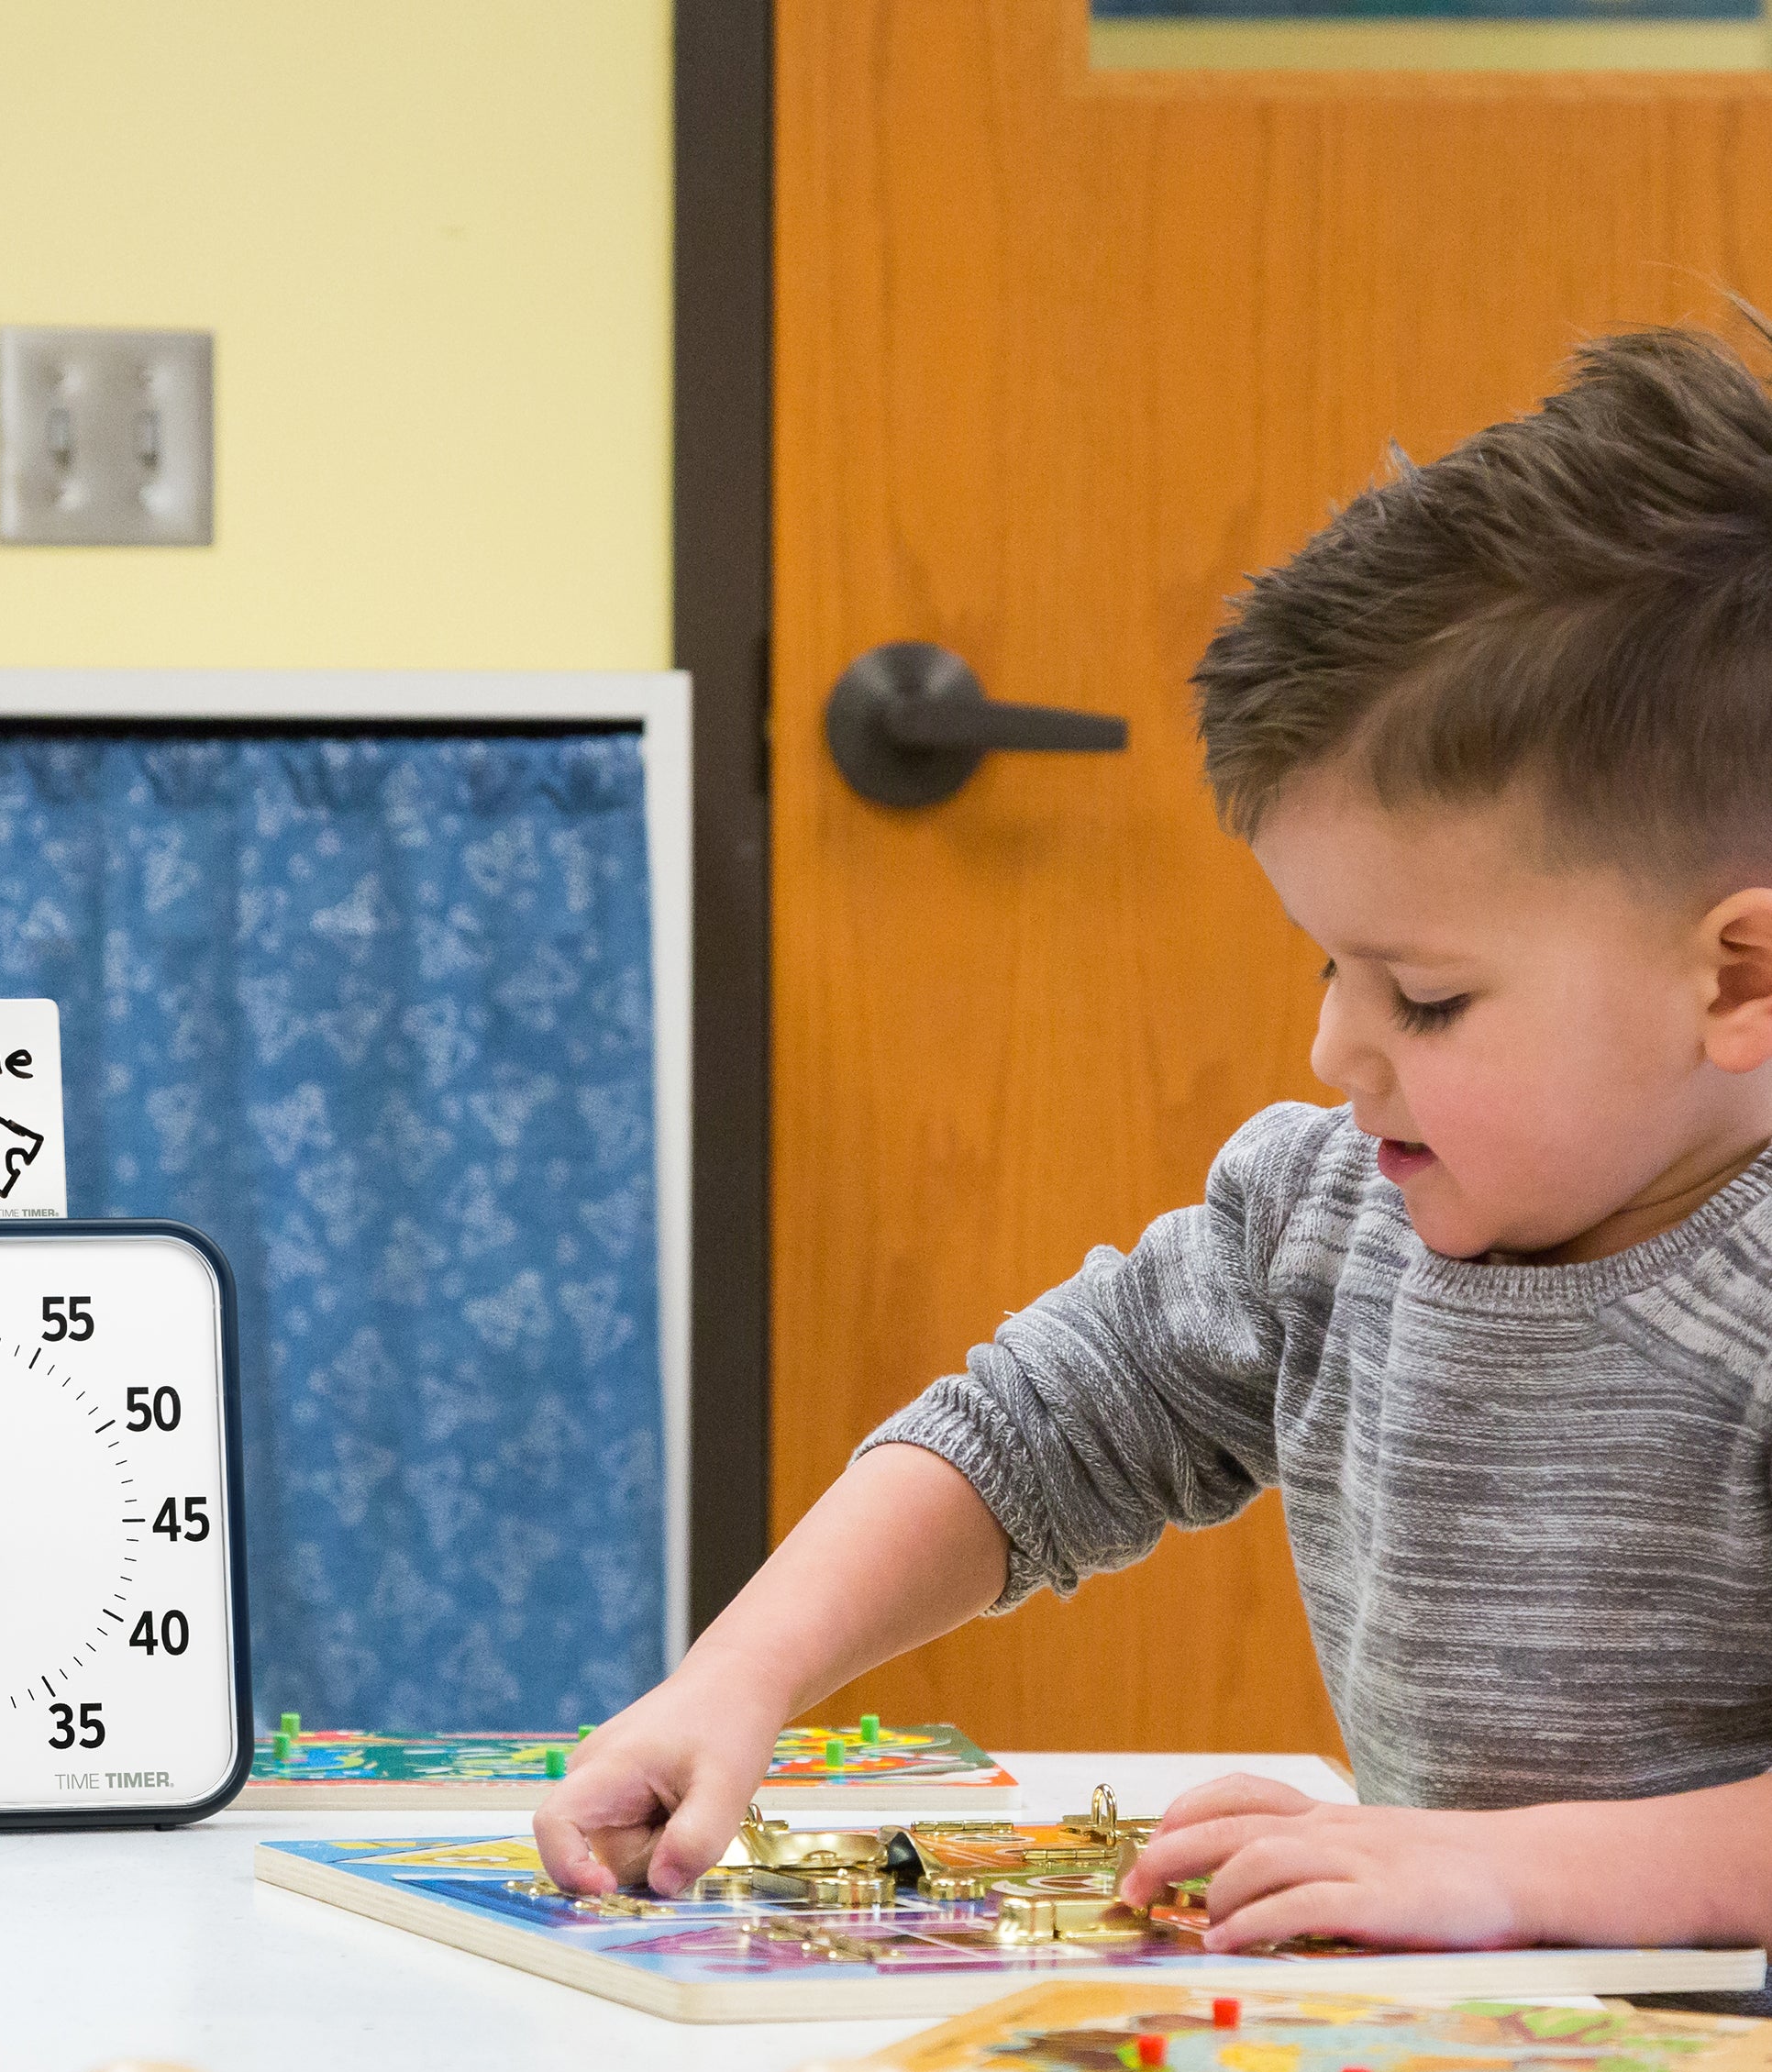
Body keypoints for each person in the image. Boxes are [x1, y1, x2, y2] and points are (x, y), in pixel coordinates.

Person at [537, 322, 1772, 1956]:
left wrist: (1491, 1871)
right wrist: (734, 1679)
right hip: (1491, 2060)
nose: (1337, 1049)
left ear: (1736, 976)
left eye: (1427, 998)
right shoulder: (1329, 1210)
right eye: (1331, 966)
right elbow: (1031, 1431)